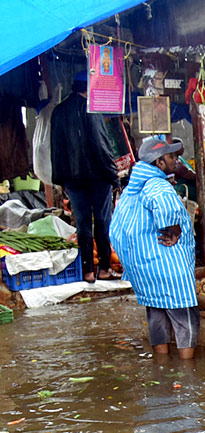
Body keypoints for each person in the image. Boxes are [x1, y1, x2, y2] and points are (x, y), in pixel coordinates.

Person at [110, 137, 199, 359]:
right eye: (172, 157)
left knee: (156, 316)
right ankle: (187, 374)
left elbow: (115, 227)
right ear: (159, 162)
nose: (176, 161)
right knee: (185, 319)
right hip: (167, 267)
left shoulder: (132, 189)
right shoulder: (157, 185)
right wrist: (174, 229)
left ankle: (162, 368)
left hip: (145, 267)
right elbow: (167, 210)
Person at [50, 70, 120, 282]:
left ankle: (88, 271)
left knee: (82, 223)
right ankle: (105, 268)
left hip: (71, 178)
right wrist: (113, 177)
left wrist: (60, 179)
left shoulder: (59, 111)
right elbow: (101, 146)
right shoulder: (93, 110)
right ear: (89, 88)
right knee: (101, 221)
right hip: (97, 177)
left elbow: (55, 148)